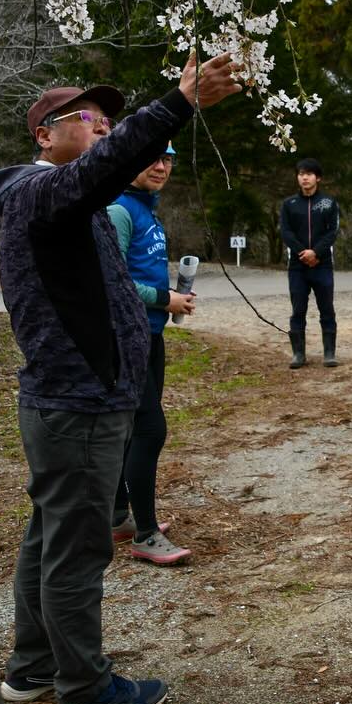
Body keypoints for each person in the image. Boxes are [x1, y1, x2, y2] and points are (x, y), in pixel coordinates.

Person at [0, 53, 242, 704]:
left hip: (75, 402)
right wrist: (180, 101)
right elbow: (105, 168)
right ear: (45, 135)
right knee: (75, 549)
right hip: (78, 405)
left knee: (51, 535)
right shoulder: (43, 192)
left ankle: (33, 668)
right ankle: (86, 692)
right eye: (90, 119)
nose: (104, 129)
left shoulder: (61, 200)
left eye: (108, 119)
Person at [106, 142, 194, 566]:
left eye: (168, 160)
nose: (161, 167)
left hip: (150, 335)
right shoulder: (120, 209)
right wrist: (166, 298)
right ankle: (143, 534)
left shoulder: (146, 209)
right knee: (149, 429)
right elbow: (114, 280)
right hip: (128, 336)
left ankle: (120, 517)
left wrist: (172, 298)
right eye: (152, 159)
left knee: (135, 427)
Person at [280, 158, 340, 368]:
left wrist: (316, 252)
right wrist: (302, 252)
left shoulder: (329, 203)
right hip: (297, 265)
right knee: (298, 309)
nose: (304, 177)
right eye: (301, 174)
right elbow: (285, 232)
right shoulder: (289, 204)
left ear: (318, 177)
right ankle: (298, 353)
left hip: (322, 264)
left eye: (309, 174)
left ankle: (329, 352)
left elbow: (332, 232)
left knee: (327, 308)